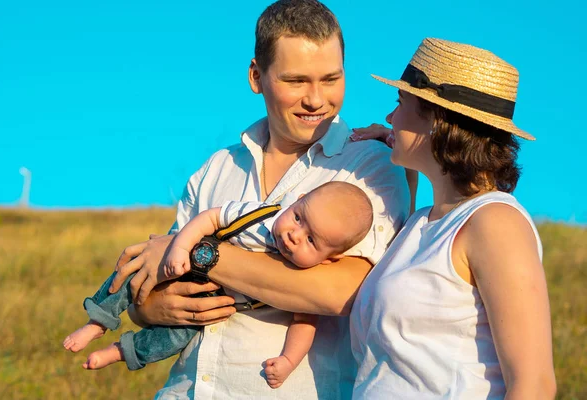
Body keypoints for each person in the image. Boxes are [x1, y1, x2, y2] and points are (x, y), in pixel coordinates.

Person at [108, 1, 410, 398]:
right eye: (296, 81)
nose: (317, 99)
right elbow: (155, 278)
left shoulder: (370, 167)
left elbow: (339, 291)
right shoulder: (217, 167)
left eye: (331, 79)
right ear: (256, 76)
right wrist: (145, 309)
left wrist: (206, 253)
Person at [349, 38, 556, 399]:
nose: (389, 118)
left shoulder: (494, 223)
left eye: (400, 105)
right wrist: (398, 149)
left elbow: (534, 384)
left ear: (437, 119)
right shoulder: (422, 223)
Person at [63, 182, 373, 390]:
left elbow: (305, 322)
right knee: (133, 270)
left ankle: (121, 352)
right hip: (180, 268)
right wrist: (180, 246)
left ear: (331, 258)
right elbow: (211, 218)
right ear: (295, 202)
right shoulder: (258, 217)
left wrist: (289, 360)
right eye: (298, 217)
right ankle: (97, 321)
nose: (294, 234)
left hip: (203, 310)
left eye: (311, 240)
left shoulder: (306, 276)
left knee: (172, 339)